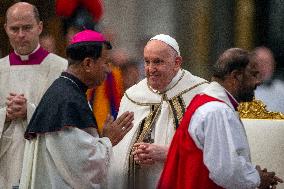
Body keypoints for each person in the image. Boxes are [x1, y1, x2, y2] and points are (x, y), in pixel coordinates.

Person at [19, 30, 134, 189]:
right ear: (88, 64)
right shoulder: (68, 100)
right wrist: (108, 140)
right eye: (105, 62)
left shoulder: (68, 92)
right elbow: (82, 169)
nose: (108, 70)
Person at [158, 48, 283, 189]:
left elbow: (222, 161)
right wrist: (257, 179)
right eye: (253, 75)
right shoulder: (216, 111)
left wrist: (252, 173)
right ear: (236, 76)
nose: (258, 82)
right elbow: (226, 172)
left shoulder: (205, 100)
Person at [108, 34, 209, 189]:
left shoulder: (201, 94)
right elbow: (119, 152)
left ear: (177, 63)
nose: (150, 69)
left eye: (158, 62)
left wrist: (167, 154)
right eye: (147, 62)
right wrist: (135, 152)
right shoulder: (133, 96)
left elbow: (213, 151)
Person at [0, 2, 67, 188]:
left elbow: (67, 120)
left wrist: (29, 111)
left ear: (40, 27)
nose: (21, 35)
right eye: (14, 29)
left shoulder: (60, 68)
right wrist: (6, 114)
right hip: (7, 163)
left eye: (27, 28)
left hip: (45, 162)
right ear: (6, 29)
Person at [253, 46, 284, 112]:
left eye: (267, 62)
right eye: (260, 62)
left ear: (273, 65)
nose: (263, 66)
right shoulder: (241, 89)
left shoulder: (281, 89)